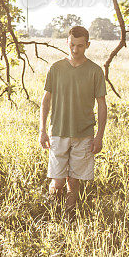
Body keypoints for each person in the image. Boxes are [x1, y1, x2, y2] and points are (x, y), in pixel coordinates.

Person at [39, 25, 107, 212]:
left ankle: (69, 216)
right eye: (71, 45)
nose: (75, 50)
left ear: (87, 45)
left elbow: (102, 105)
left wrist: (99, 136)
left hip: (84, 133)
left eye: (79, 46)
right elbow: (46, 101)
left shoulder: (95, 71)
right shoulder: (56, 68)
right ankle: (50, 210)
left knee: (74, 181)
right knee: (59, 180)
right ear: (67, 43)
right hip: (58, 131)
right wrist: (42, 131)